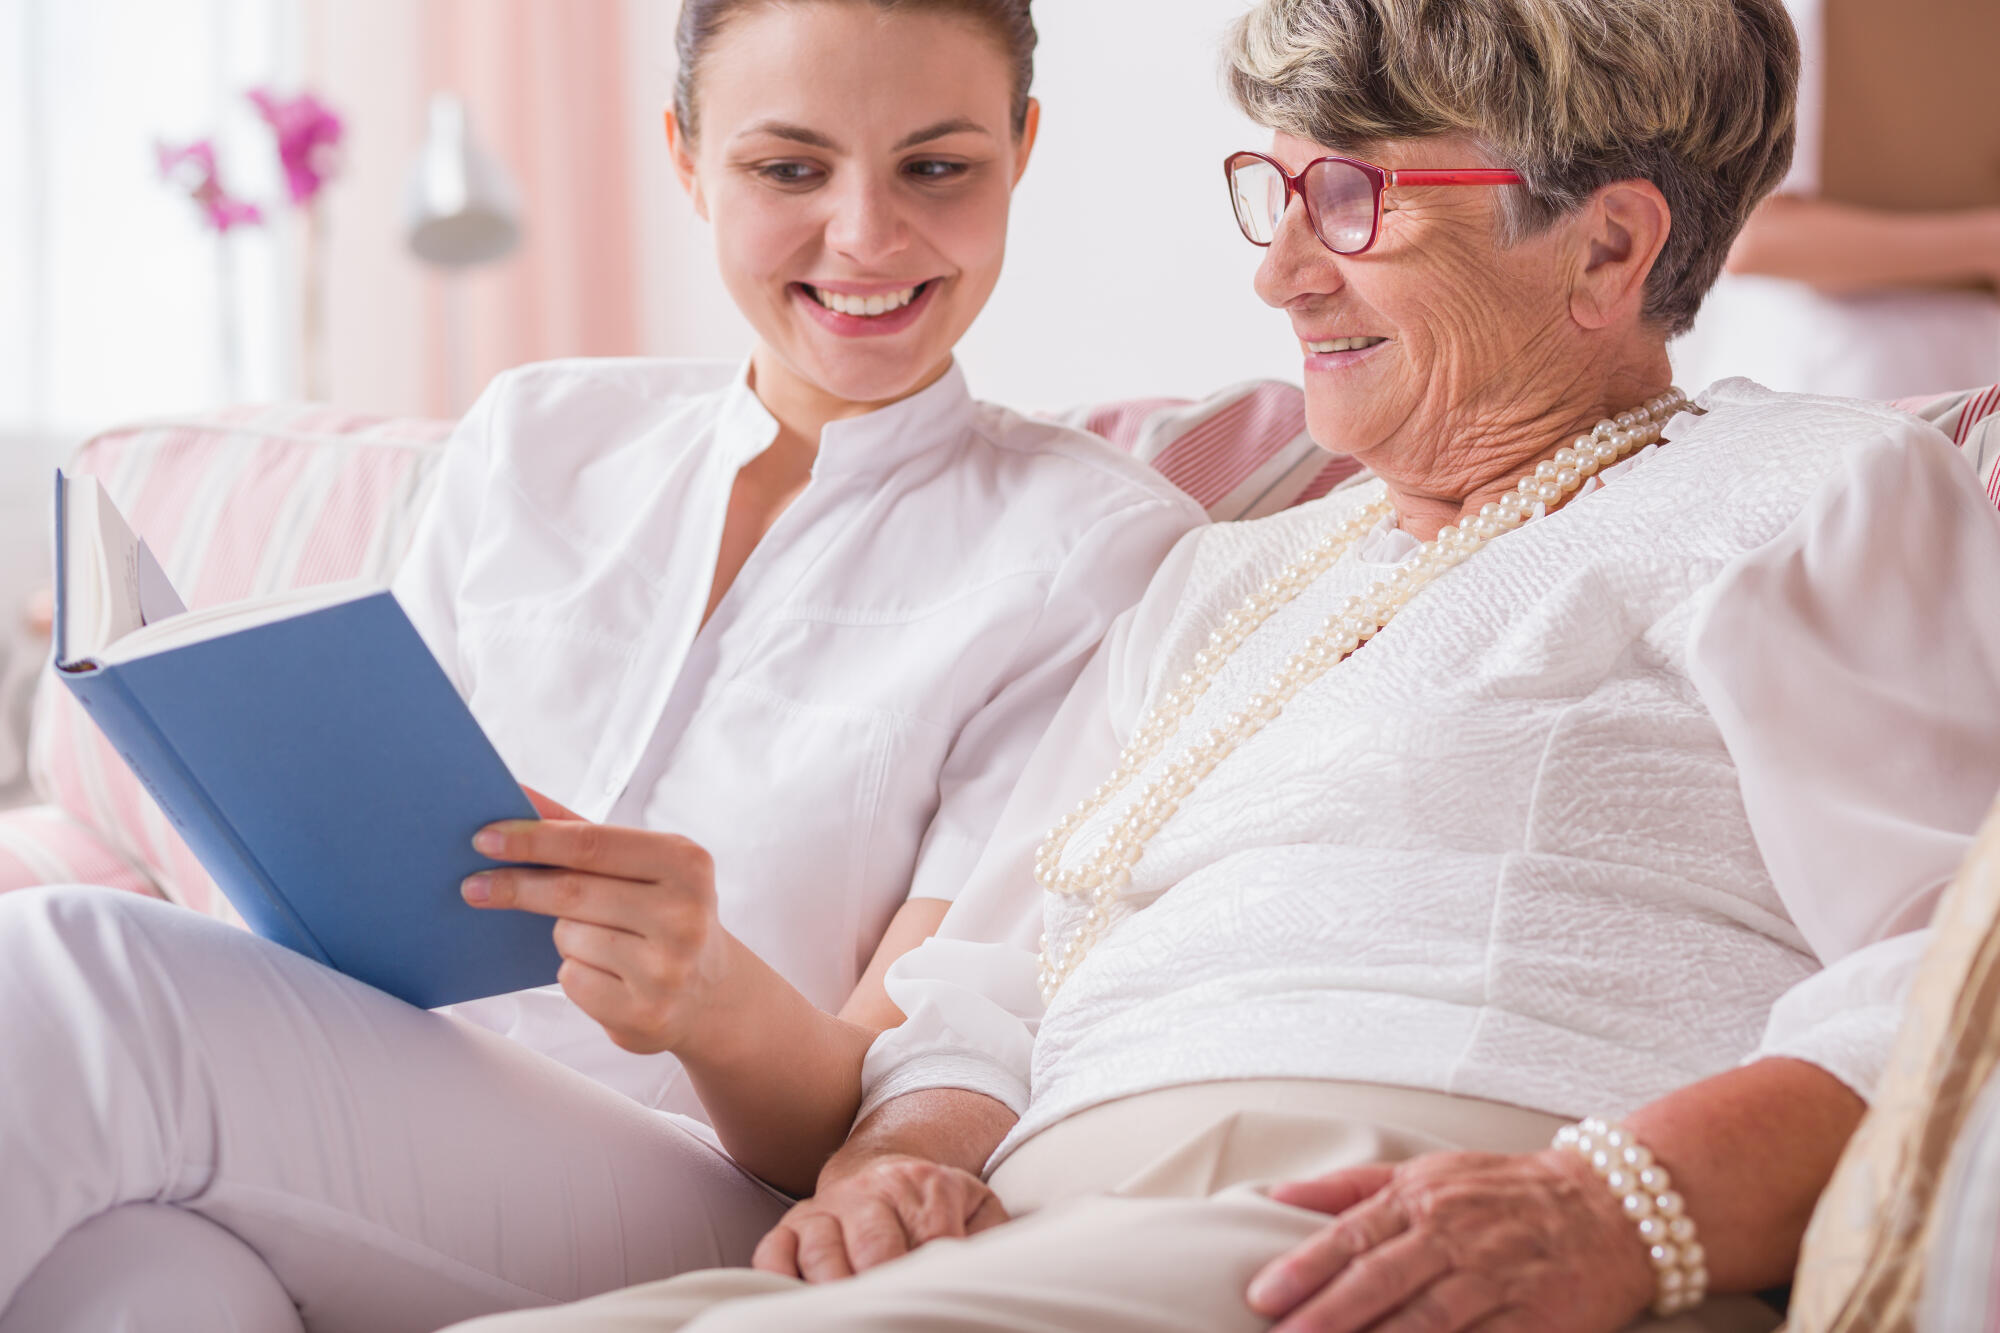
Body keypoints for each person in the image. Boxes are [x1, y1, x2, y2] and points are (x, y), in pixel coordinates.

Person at [441, 0, 2000, 1330]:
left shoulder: (1813, 491)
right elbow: (985, 983)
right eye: (1283, 192)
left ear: (1607, 243)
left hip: (1378, 1217)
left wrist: (1614, 1205)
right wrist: (900, 1156)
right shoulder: (1225, 570)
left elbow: (1949, 979)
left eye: (1357, 201)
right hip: (1060, 1237)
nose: (1282, 274)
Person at [0, 2, 1204, 1330]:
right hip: (366, 1096)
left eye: (937, 166)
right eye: (789, 169)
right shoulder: (541, 434)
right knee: (126, 1274)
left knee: (72, 966)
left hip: (701, 1181)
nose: (865, 235)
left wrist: (711, 994)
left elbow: (906, 1089)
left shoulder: (1097, 556)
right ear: (686, 158)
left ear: (1021, 150)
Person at [1671, 0, 2000, 398]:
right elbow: (1754, 235)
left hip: (1968, 383)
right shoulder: (1796, 14)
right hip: (1834, 389)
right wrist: (1982, 243)